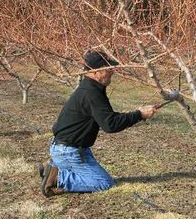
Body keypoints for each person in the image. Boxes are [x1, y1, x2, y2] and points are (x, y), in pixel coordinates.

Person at [39, 51, 158, 197]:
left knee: (99, 179)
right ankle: (57, 178)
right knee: (103, 183)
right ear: (95, 72)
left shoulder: (91, 89)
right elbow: (110, 125)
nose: (112, 72)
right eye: (108, 69)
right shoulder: (91, 93)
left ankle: (53, 167)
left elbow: (107, 117)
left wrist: (136, 112)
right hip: (69, 151)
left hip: (71, 149)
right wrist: (140, 115)